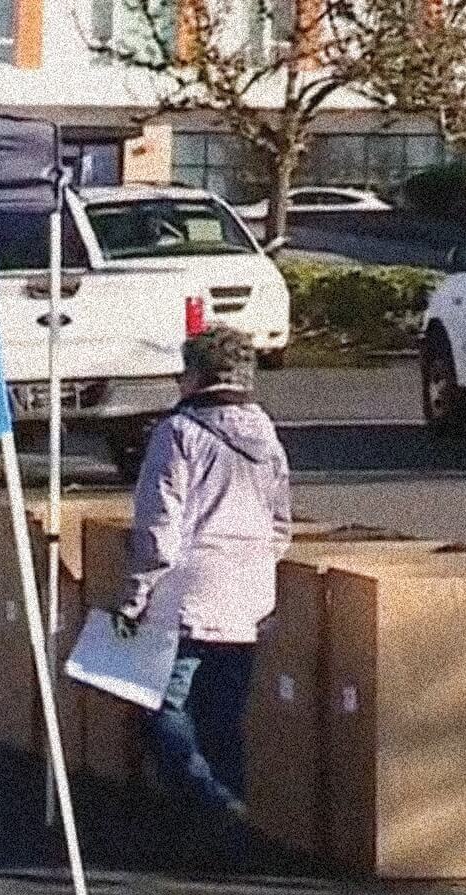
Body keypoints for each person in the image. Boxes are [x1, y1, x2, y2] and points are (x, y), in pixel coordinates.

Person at [113, 327, 293, 827]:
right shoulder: (266, 435)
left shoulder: (178, 433)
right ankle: (227, 829)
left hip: (187, 598)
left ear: (195, 374)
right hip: (248, 599)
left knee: (163, 709)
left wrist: (134, 597)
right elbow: (281, 524)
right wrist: (256, 568)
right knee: (224, 720)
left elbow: (160, 526)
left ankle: (211, 802)